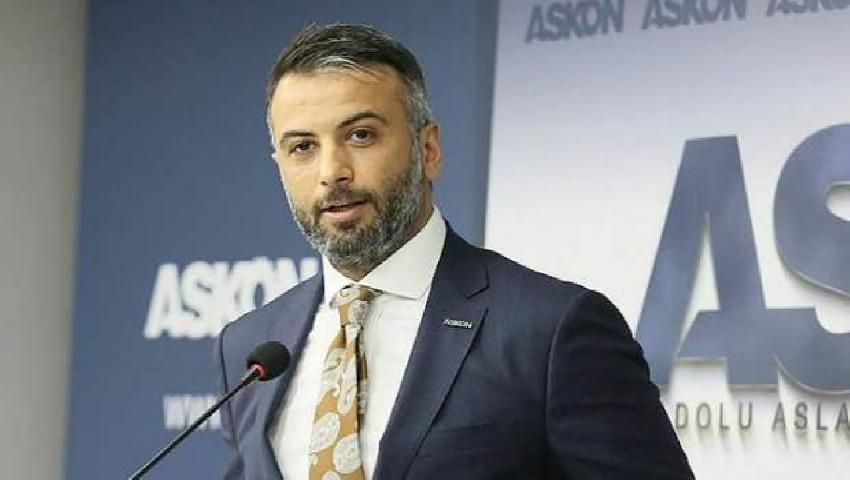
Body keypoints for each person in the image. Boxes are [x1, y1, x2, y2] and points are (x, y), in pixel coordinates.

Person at [215, 23, 694, 480]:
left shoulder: (550, 331)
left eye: (361, 135)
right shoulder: (251, 348)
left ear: (428, 149)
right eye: (302, 147)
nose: (331, 172)